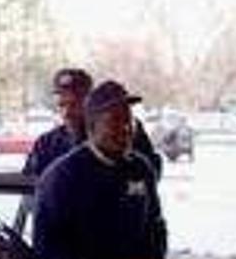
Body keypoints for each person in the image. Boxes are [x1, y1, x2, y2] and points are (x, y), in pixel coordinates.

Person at [33, 80, 168, 259]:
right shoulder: (63, 176)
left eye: (129, 121)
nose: (125, 129)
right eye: (115, 121)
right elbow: (48, 245)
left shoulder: (140, 168)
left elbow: (156, 224)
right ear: (92, 126)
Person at [24, 68, 163, 180]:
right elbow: (28, 189)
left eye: (75, 104)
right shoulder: (46, 144)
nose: (67, 113)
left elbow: (148, 179)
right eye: (62, 105)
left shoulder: (124, 133)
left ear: (90, 102)